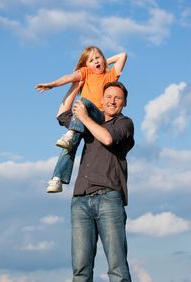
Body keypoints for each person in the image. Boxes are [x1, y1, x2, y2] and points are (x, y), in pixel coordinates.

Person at [56, 80, 134, 282]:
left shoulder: (124, 124)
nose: (112, 100)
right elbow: (61, 115)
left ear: (124, 103)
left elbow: (108, 139)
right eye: (108, 96)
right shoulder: (87, 121)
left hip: (109, 198)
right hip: (80, 201)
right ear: (101, 99)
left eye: (117, 98)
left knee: (117, 267)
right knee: (80, 269)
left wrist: (86, 119)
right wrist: (76, 86)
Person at [35, 46, 127, 193]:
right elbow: (69, 77)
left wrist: (103, 62)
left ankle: (70, 133)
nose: (96, 61)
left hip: (99, 116)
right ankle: (57, 178)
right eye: (91, 60)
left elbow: (122, 55)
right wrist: (52, 85)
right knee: (68, 146)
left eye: (98, 58)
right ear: (86, 65)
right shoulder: (86, 73)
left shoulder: (109, 76)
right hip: (82, 120)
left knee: (83, 102)